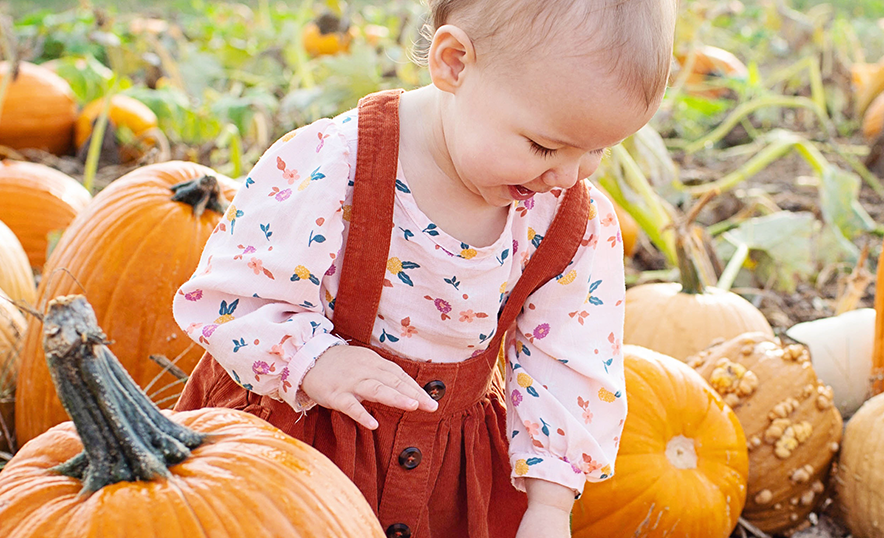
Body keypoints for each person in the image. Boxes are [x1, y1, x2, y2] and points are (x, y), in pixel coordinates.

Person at [172, 0, 676, 536]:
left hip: (450, 478)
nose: (567, 174)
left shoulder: (571, 221)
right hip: (301, 438)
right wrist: (314, 360)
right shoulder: (335, 163)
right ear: (454, 62)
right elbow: (233, 296)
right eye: (543, 145)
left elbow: (571, 364)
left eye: (597, 150)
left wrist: (549, 507)